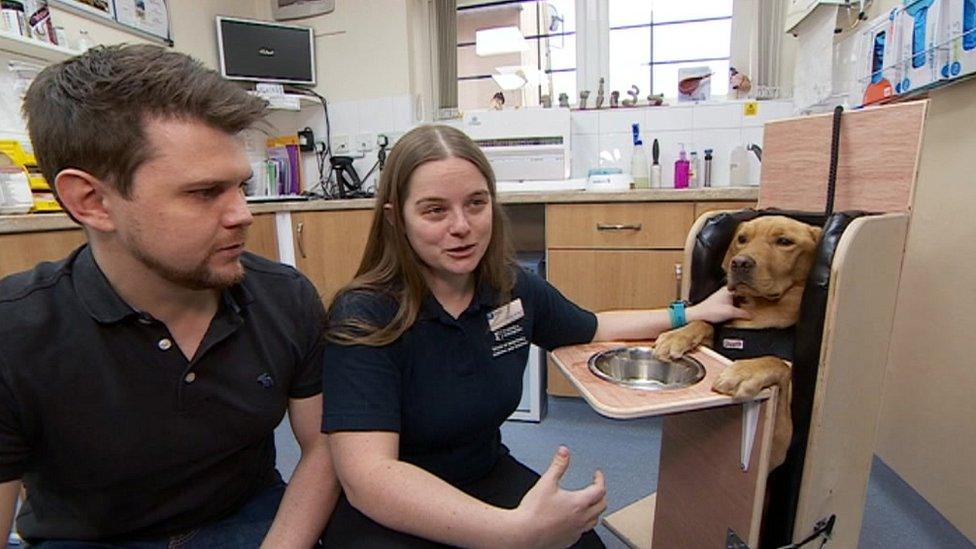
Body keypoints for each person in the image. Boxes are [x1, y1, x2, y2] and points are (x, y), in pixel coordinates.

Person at [320, 124, 750, 547]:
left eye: (476, 203)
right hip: (395, 507)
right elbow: (371, 479)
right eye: (435, 210)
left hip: (483, 474)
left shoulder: (511, 289)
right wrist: (513, 533)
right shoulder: (365, 314)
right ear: (397, 219)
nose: (462, 226)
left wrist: (691, 313)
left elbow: (594, 327)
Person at [0, 45, 340, 547]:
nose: (243, 214)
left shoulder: (284, 298)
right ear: (91, 201)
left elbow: (323, 448)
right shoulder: (15, 332)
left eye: (241, 186)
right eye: (204, 193)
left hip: (254, 524)